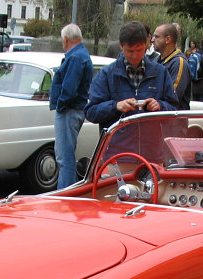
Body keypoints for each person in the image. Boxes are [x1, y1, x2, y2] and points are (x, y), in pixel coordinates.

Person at [85, 21, 178, 132]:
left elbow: (174, 111)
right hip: (117, 147)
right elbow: (90, 112)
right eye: (130, 51)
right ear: (121, 45)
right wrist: (115, 106)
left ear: (146, 43)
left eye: (139, 50)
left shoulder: (160, 73)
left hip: (150, 146)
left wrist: (160, 106)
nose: (135, 55)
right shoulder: (107, 74)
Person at [49, 23, 94, 189]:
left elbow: (69, 89)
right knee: (66, 157)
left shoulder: (75, 57)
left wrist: (60, 105)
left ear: (66, 39)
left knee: (64, 159)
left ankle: (64, 195)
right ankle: (68, 192)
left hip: (69, 110)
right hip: (74, 109)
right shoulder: (81, 55)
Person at [152, 22, 191, 110]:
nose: (152, 40)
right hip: (157, 118)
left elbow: (173, 96)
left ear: (168, 39)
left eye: (156, 36)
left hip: (173, 120)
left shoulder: (179, 63)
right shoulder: (155, 61)